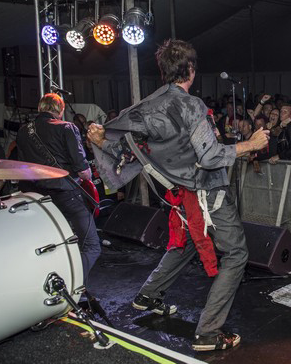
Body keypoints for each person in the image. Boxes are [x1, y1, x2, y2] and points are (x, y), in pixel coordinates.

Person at [87, 39, 269, 351]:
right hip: (206, 193)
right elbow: (210, 156)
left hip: (179, 195)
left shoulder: (146, 107)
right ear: (191, 69)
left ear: (164, 71)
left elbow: (125, 150)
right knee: (237, 253)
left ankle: (149, 295)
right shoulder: (190, 105)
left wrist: (101, 140)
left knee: (187, 244)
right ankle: (209, 332)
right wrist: (250, 145)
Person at [16, 93, 101, 282]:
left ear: (40, 108)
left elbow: (22, 167)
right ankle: (73, 285)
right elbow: (82, 171)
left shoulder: (23, 131)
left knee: (52, 246)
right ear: (61, 109)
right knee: (91, 245)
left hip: (38, 199)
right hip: (66, 194)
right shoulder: (67, 127)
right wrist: (89, 174)